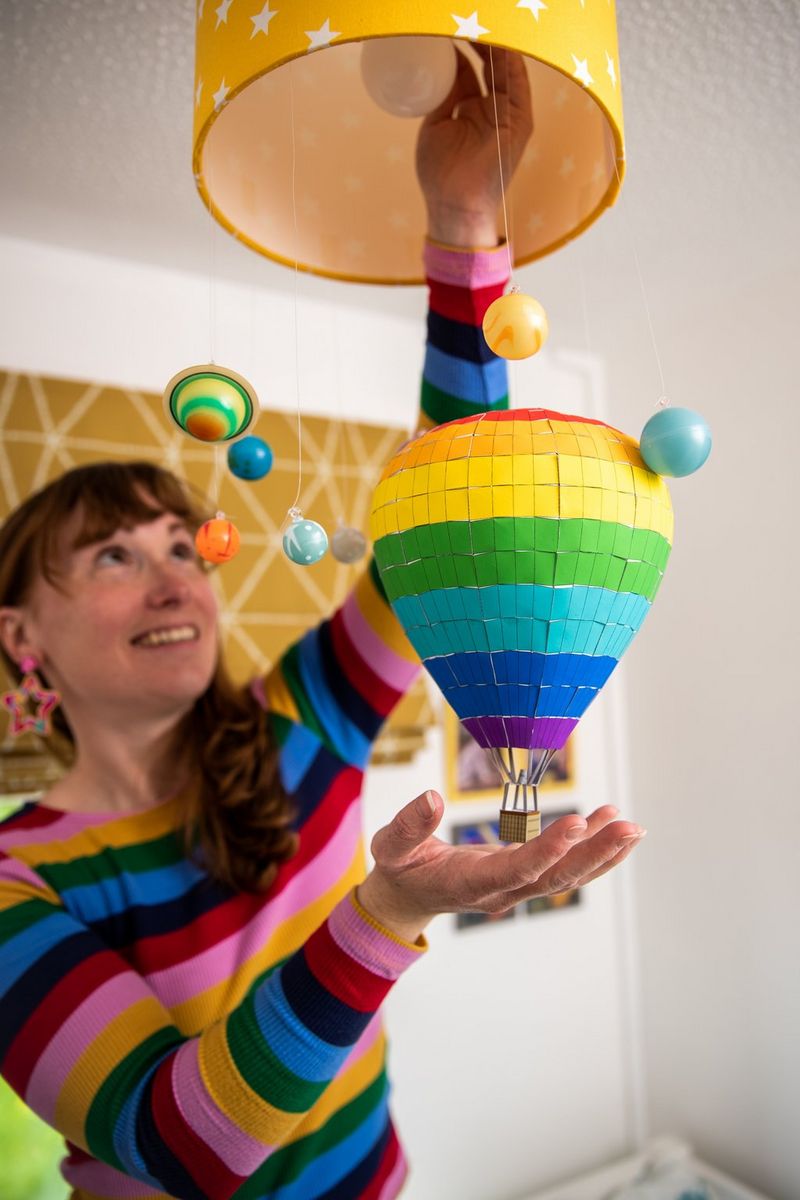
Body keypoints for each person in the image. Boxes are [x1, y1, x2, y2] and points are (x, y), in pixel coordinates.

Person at [0, 47, 645, 1200]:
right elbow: (183, 1143)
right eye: (111, 555)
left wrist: (462, 226)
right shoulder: (15, 879)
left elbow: (445, 542)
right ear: (20, 638)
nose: (173, 583)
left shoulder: (305, 720)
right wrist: (385, 910)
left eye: (179, 549)